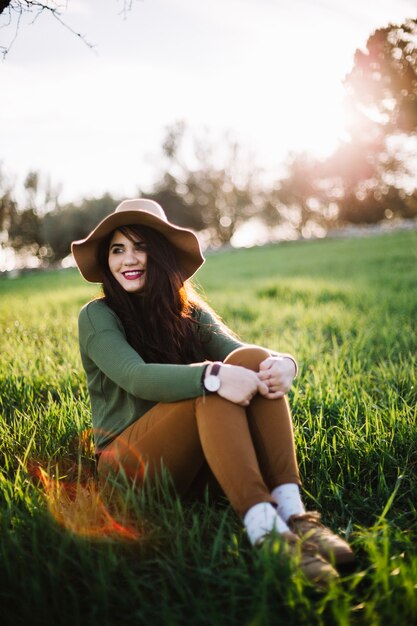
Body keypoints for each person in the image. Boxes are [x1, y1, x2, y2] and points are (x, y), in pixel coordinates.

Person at [71, 198, 354, 585]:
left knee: (251, 359)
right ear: (107, 260)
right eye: (118, 249)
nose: (128, 259)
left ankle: (292, 514)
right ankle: (267, 535)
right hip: (128, 466)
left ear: (164, 255)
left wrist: (285, 363)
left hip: (193, 462)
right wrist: (211, 377)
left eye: (141, 247)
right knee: (212, 383)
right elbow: (134, 376)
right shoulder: (96, 316)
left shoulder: (189, 310)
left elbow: (241, 354)